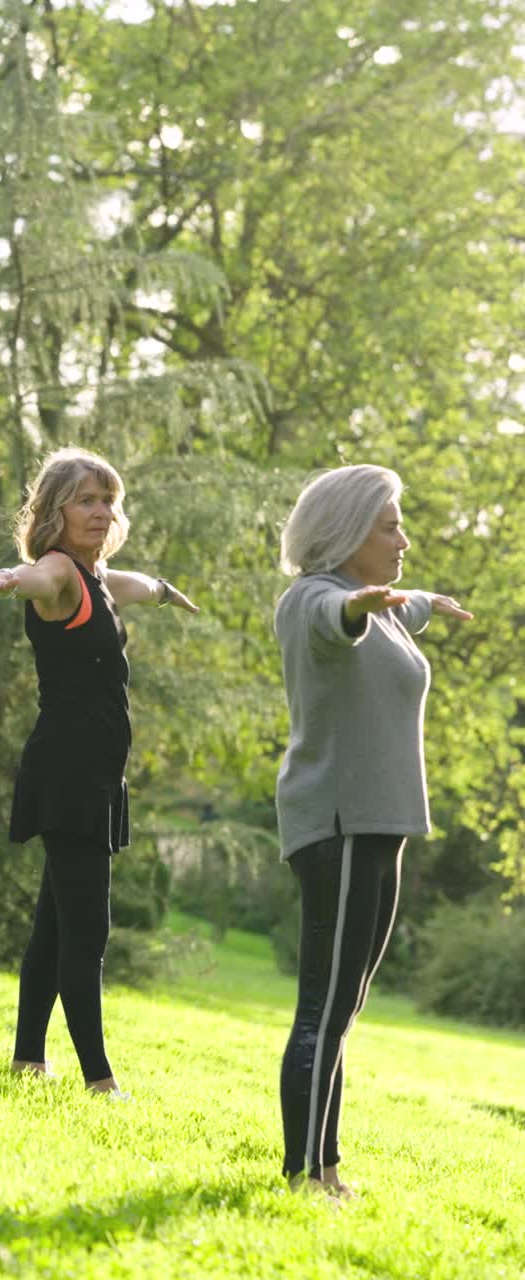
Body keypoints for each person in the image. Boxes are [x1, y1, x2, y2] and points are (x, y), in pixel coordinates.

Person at [0, 446, 197, 1096]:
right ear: (56, 511)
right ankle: (100, 1080)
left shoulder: (97, 579)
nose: (100, 511)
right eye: (86, 500)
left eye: (108, 501)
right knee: (88, 931)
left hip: (92, 773)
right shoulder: (59, 571)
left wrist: (168, 593)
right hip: (68, 770)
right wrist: (6, 578)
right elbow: (35, 579)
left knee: (54, 925)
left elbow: (134, 586)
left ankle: (28, 1058)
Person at [274, 464, 472, 1196]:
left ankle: (326, 1168)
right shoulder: (313, 603)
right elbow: (338, 621)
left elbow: (392, 609)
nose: (404, 540)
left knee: (345, 1003)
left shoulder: (384, 608)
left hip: (377, 825)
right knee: (324, 1007)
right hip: (341, 822)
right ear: (348, 532)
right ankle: (302, 1177)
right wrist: (361, 604)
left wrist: (419, 601)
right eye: (390, 526)